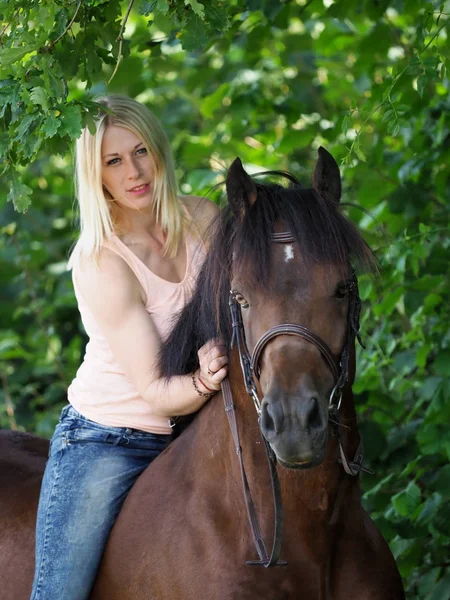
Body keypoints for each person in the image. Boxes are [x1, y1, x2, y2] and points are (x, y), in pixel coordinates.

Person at [30, 95, 228, 600]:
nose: (135, 172)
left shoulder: (205, 220)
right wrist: (208, 377)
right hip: (111, 438)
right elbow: (159, 392)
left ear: (159, 149)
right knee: (60, 593)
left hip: (203, 424)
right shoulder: (102, 261)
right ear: (96, 177)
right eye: (114, 161)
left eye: (141, 151)